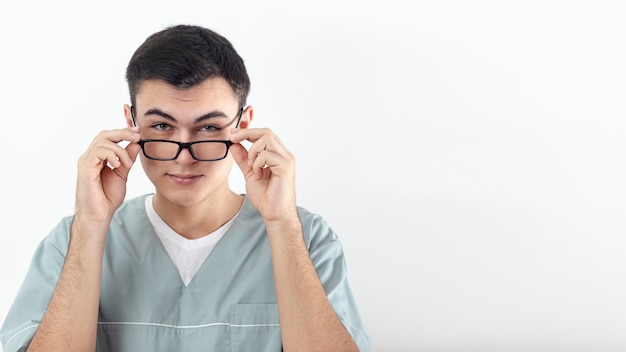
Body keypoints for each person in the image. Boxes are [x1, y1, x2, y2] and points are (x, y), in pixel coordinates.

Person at [0, 24, 370, 352]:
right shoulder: (72, 241)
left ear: (244, 124)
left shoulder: (307, 238)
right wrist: (92, 226)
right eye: (161, 126)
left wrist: (281, 223)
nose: (183, 157)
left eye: (209, 128)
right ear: (132, 123)